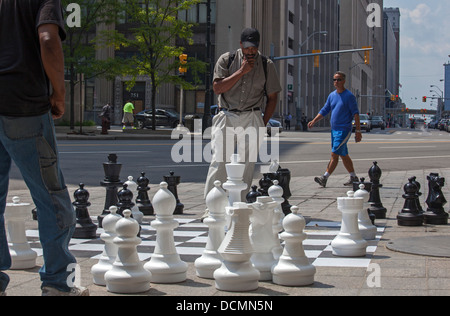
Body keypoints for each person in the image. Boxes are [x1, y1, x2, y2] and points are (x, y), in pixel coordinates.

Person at [0, 0, 88, 296]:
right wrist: (59, 94)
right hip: (23, 105)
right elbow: (49, 40)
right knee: (52, 199)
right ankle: (58, 282)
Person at [204, 28, 282, 202]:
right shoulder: (226, 59)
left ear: (258, 46)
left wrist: (262, 122)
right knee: (219, 161)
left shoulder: (266, 65)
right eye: (247, 47)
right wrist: (241, 71)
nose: (250, 51)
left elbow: (272, 98)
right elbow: (218, 88)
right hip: (226, 114)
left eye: (253, 47)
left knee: (247, 164)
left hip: (252, 116)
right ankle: (212, 205)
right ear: (240, 45)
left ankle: (241, 204)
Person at [308, 71, 362, 188]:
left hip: (344, 130)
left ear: (344, 81)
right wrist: (314, 120)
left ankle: (324, 177)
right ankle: (353, 177)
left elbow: (356, 114)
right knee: (343, 154)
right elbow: (324, 110)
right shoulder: (332, 95)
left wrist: (358, 131)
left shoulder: (349, 96)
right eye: (334, 80)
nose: (336, 82)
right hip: (334, 130)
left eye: (339, 79)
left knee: (334, 154)